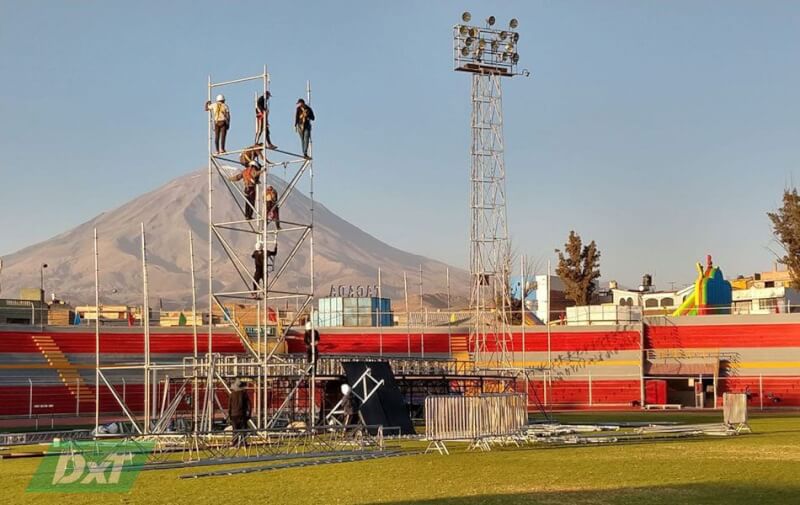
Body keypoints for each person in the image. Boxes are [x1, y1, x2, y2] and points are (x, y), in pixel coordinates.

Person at [228, 379, 251, 446]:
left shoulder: (232, 394)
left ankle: (235, 443)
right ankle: (244, 443)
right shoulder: (244, 394)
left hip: (234, 414)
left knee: (235, 430)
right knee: (243, 430)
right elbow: (249, 405)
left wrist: (229, 416)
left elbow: (229, 406)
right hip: (242, 414)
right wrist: (249, 414)